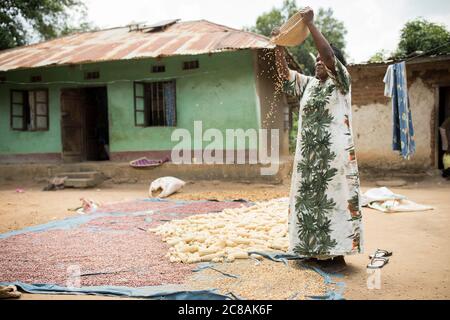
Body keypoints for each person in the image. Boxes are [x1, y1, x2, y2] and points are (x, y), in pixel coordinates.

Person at [273, 7, 363, 272]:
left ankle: (337, 255)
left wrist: (311, 25)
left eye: (323, 60)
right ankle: (310, 251)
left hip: (334, 159)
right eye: (316, 61)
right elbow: (284, 75)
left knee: (333, 201)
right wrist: (279, 45)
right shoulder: (309, 84)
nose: (319, 62)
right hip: (308, 161)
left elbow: (328, 54)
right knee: (308, 203)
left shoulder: (341, 82)